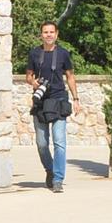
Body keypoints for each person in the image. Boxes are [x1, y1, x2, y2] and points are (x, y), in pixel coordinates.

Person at [24, 20, 77, 193]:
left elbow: (70, 76)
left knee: (59, 141)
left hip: (59, 100)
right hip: (40, 101)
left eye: (51, 32)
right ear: (41, 34)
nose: (48, 35)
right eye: (45, 32)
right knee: (41, 143)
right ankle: (50, 169)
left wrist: (76, 98)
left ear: (57, 34)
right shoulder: (34, 53)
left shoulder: (63, 54)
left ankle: (58, 179)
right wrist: (34, 83)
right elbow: (28, 76)